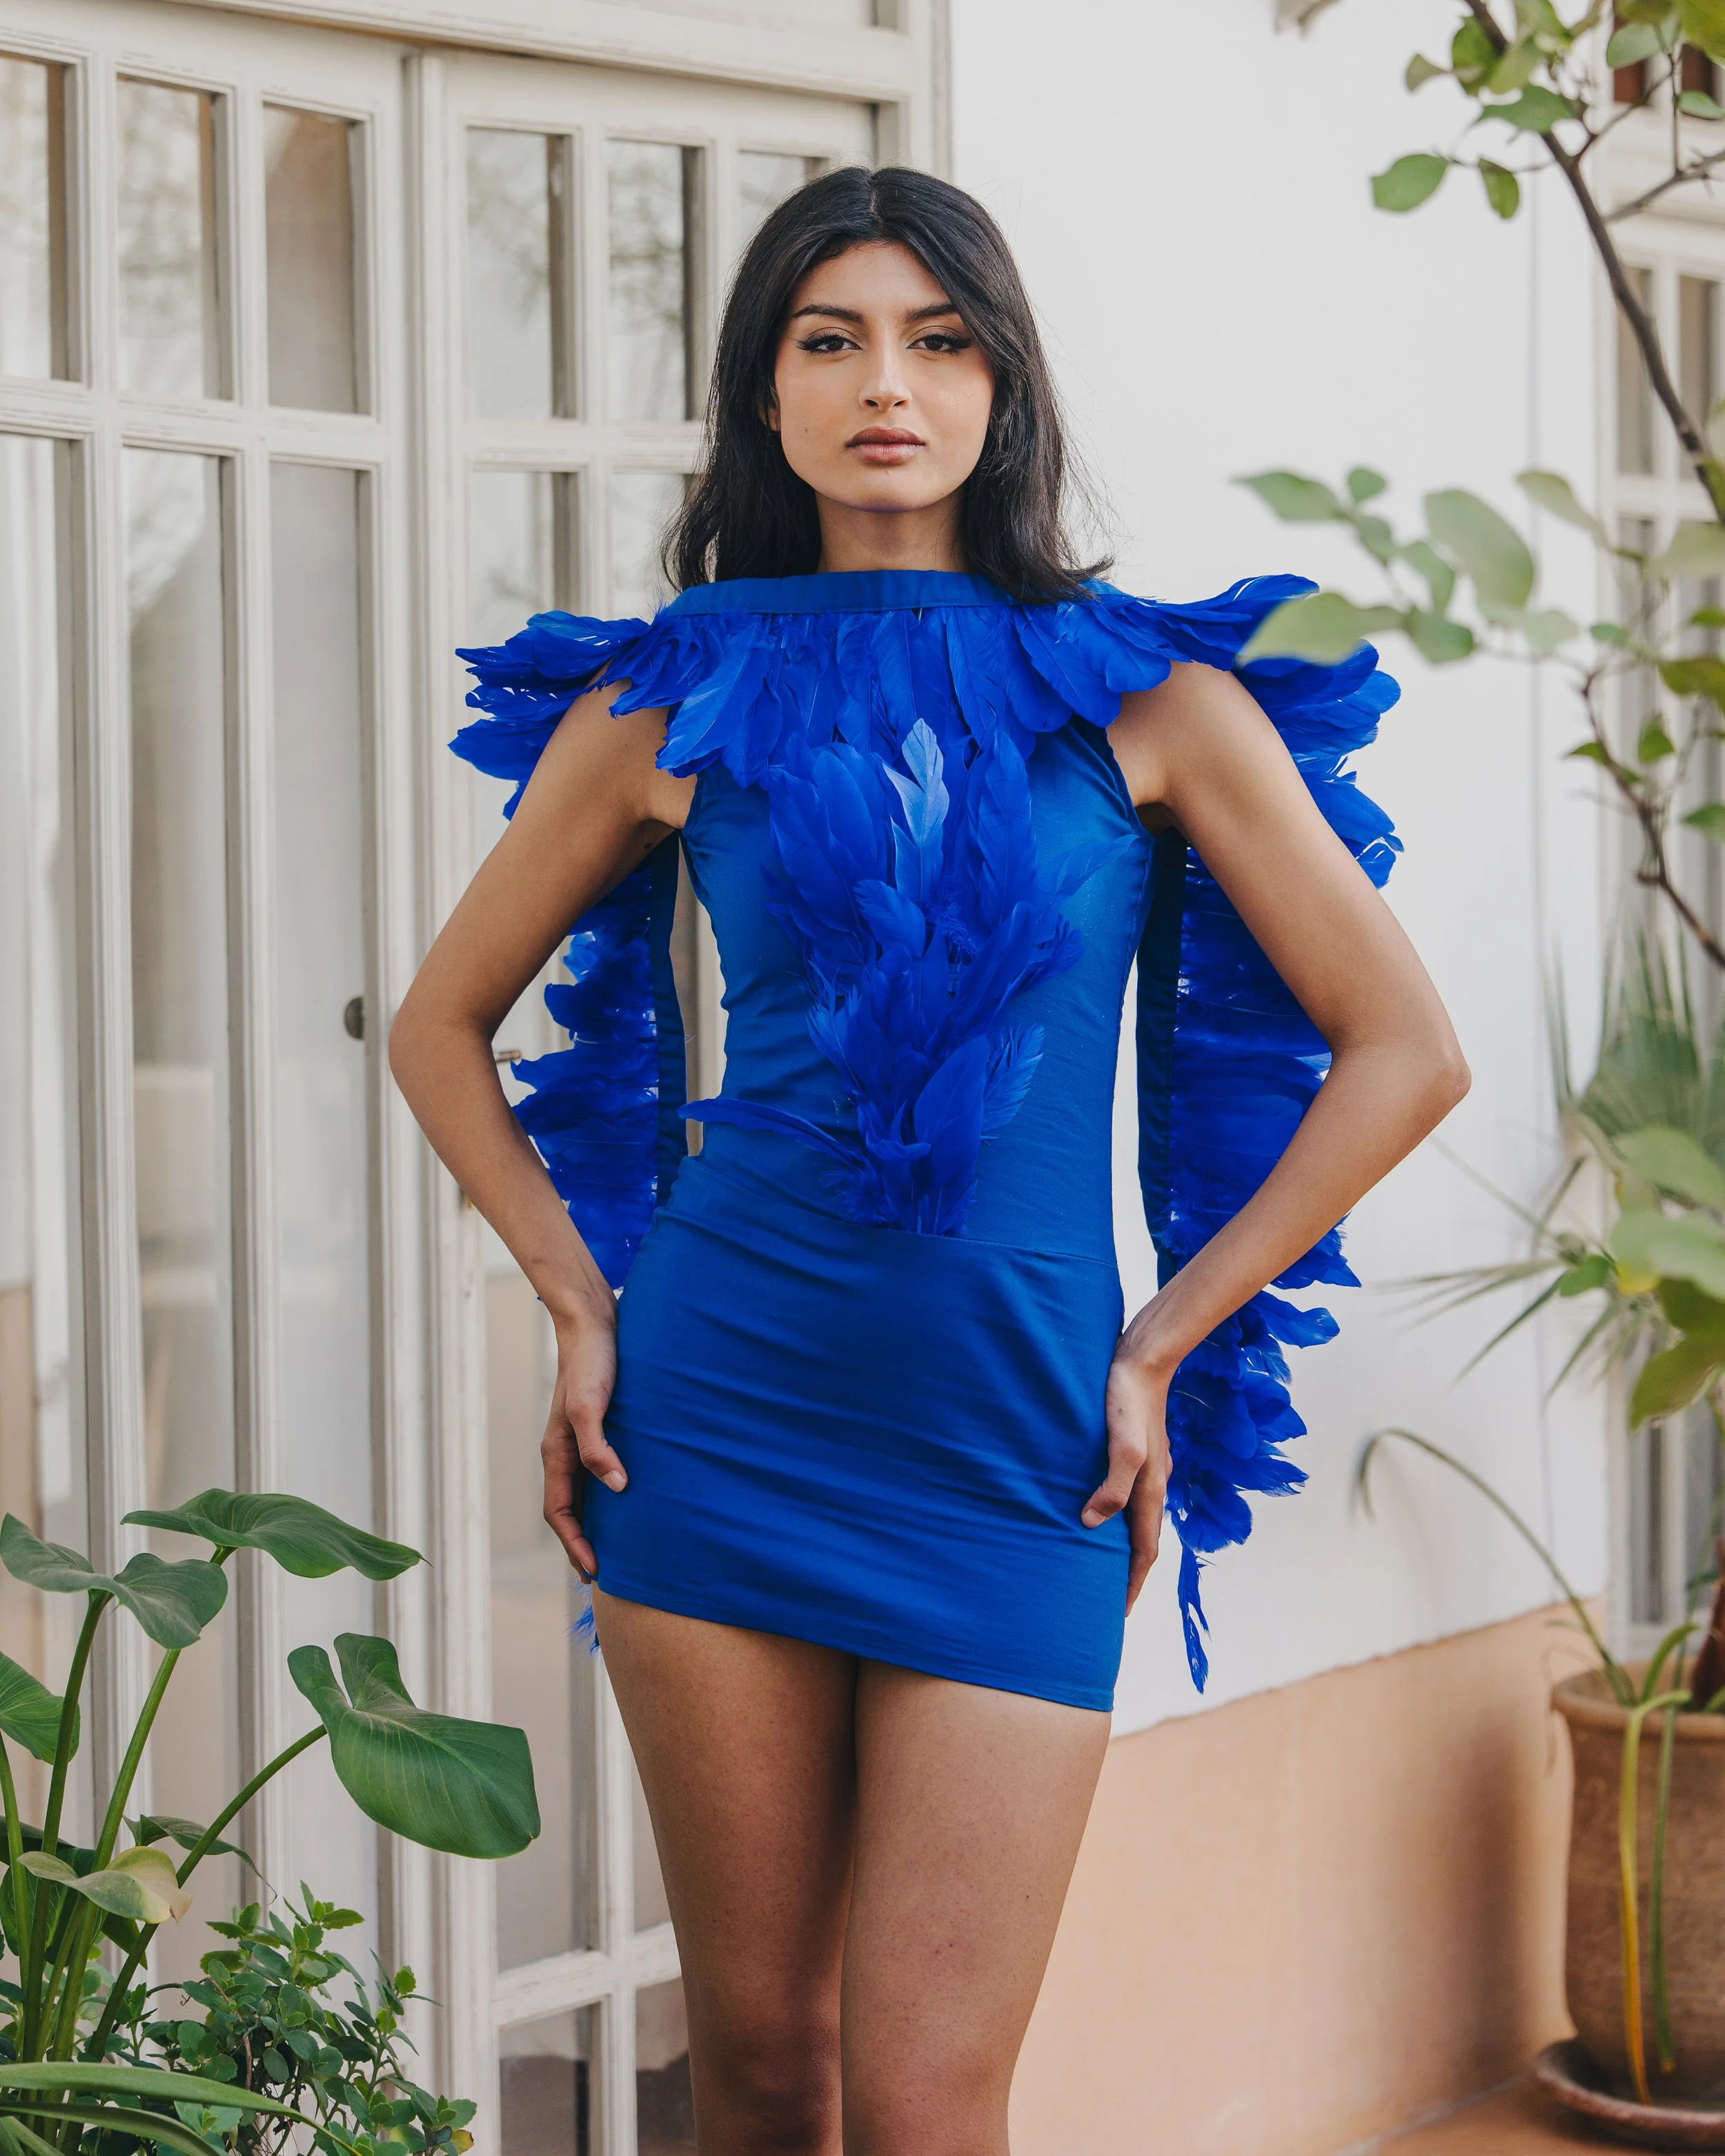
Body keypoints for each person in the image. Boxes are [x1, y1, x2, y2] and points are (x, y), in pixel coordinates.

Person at [390, 165, 1467, 2156]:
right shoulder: (668, 696)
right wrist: (572, 1295)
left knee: (928, 2091)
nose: (887, 383)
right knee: (764, 2071)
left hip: (1017, 1447)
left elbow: (1402, 1049)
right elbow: (434, 1023)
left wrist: (1161, 1346)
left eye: (938, 337)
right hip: (714, 1429)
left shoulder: (1150, 697)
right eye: (830, 338)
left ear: (1003, 388)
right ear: (764, 394)